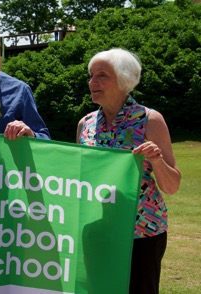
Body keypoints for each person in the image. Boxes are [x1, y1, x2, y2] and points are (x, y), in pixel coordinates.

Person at [76, 48, 181, 294]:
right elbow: (80, 177)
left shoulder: (149, 120)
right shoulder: (85, 124)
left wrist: (156, 160)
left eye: (102, 75)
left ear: (124, 79)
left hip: (142, 231)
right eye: (91, 75)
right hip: (98, 229)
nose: (92, 82)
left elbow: (172, 185)